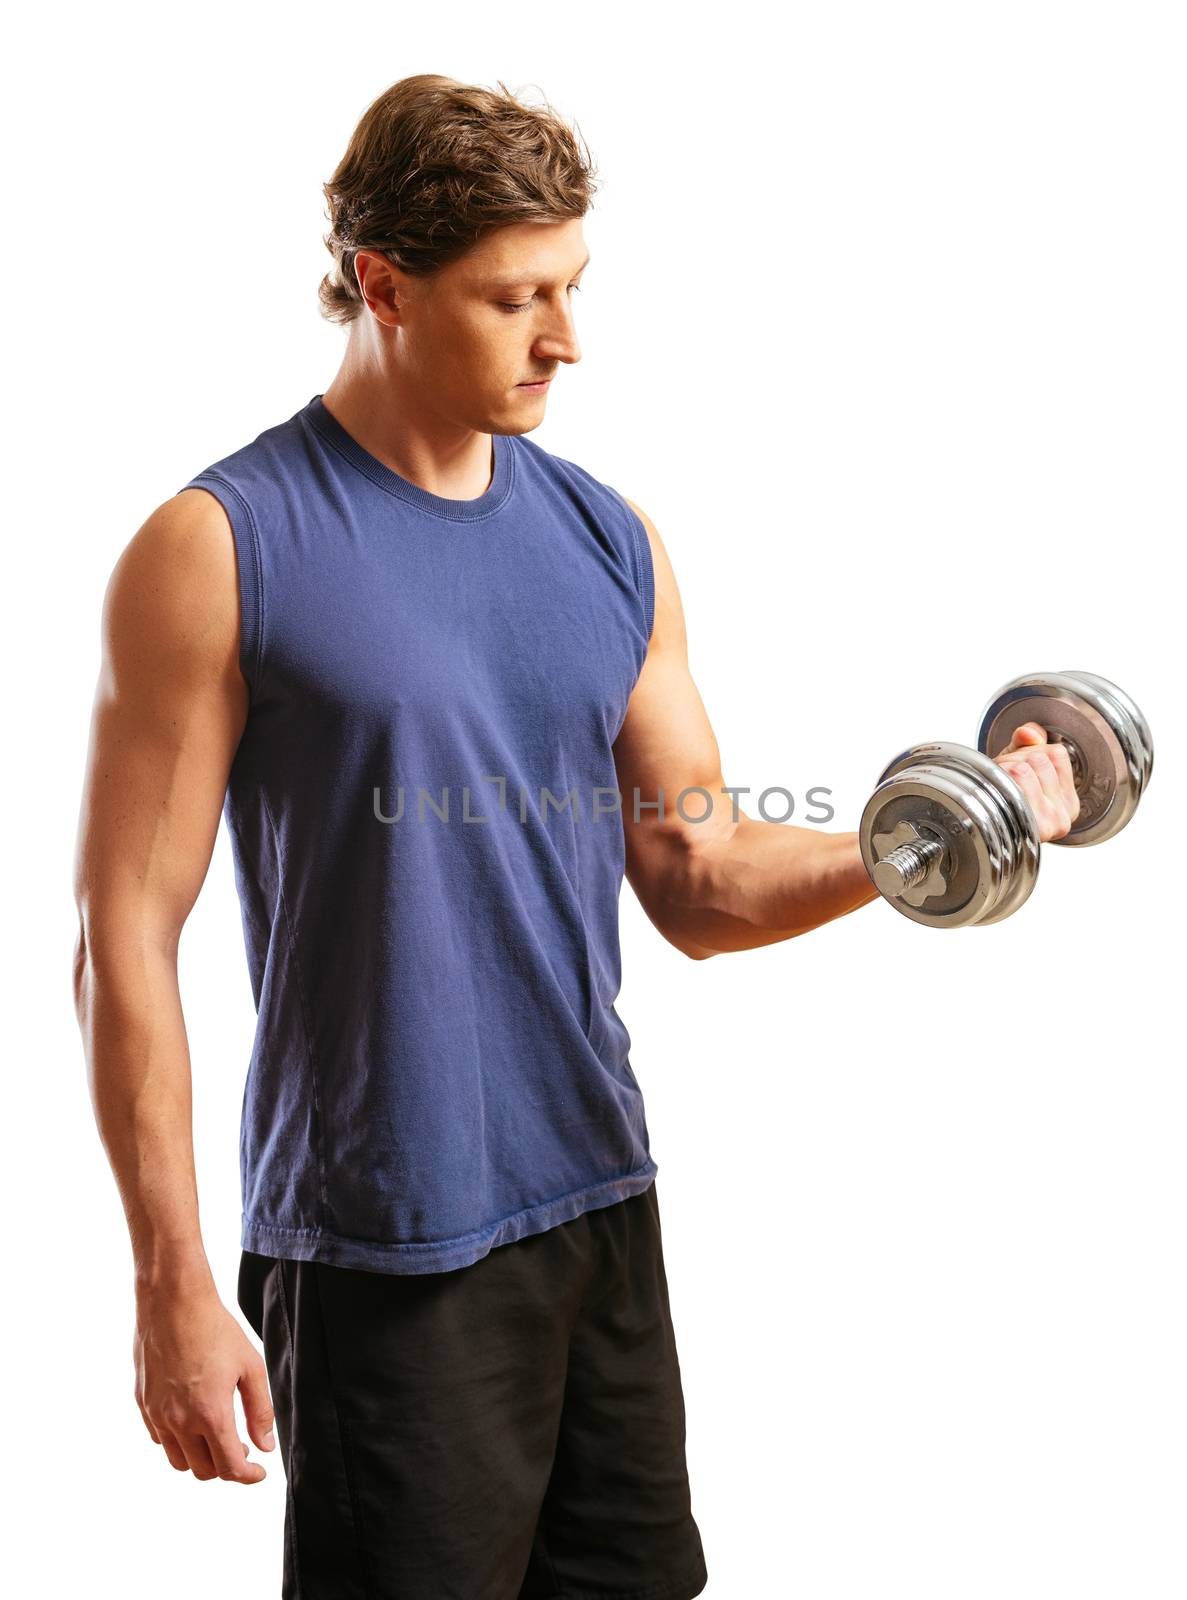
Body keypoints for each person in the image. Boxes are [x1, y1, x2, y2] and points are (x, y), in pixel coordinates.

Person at [71, 73, 1080, 1600]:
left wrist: (940, 830)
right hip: (386, 1242)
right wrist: (171, 1280)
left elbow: (698, 873)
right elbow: (123, 934)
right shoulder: (222, 545)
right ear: (382, 285)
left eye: (573, 288)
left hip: (598, 1199)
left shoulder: (610, 537)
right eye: (516, 298)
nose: (566, 339)